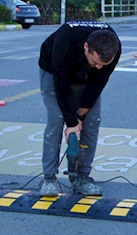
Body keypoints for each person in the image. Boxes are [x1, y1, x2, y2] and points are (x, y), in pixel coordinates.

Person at [38, 20, 121, 197]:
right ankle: (49, 178)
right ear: (86, 47)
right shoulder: (65, 41)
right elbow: (62, 85)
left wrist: (81, 116)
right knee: (57, 119)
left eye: (102, 65)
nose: (99, 67)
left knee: (92, 122)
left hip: (86, 78)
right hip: (54, 71)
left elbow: (98, 83)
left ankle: (82, 178)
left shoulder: (113, 47)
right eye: (95, 61)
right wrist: (71, 122)